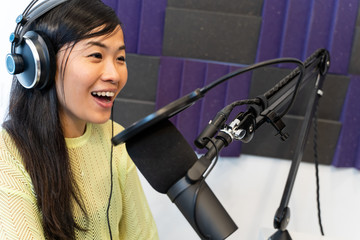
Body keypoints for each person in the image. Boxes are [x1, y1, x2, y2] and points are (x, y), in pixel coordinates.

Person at [0, 0, 159, 239]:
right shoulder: (8, 154)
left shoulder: (115, 139)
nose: (114, 75)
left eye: (120, 58)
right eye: (96, 55)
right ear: (41, 63)